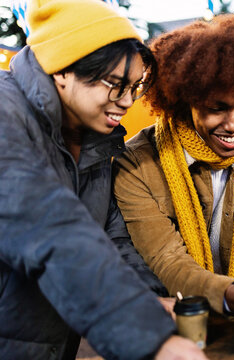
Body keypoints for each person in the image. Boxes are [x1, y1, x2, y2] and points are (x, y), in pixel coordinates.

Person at [0, 0, 207, 359]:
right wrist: (147, 336)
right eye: (115, 85)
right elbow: (52, 228)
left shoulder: (94, 137)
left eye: (134, 87)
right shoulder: (6, 116)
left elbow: (110, 236)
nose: (127, 101)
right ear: (62, 70)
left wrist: (150, 298)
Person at [113, 14, 234, 316]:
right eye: (217, 109)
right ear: (184, 102)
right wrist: (229, 294)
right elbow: (165, 258)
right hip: (177, 321)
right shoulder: (136, 163)